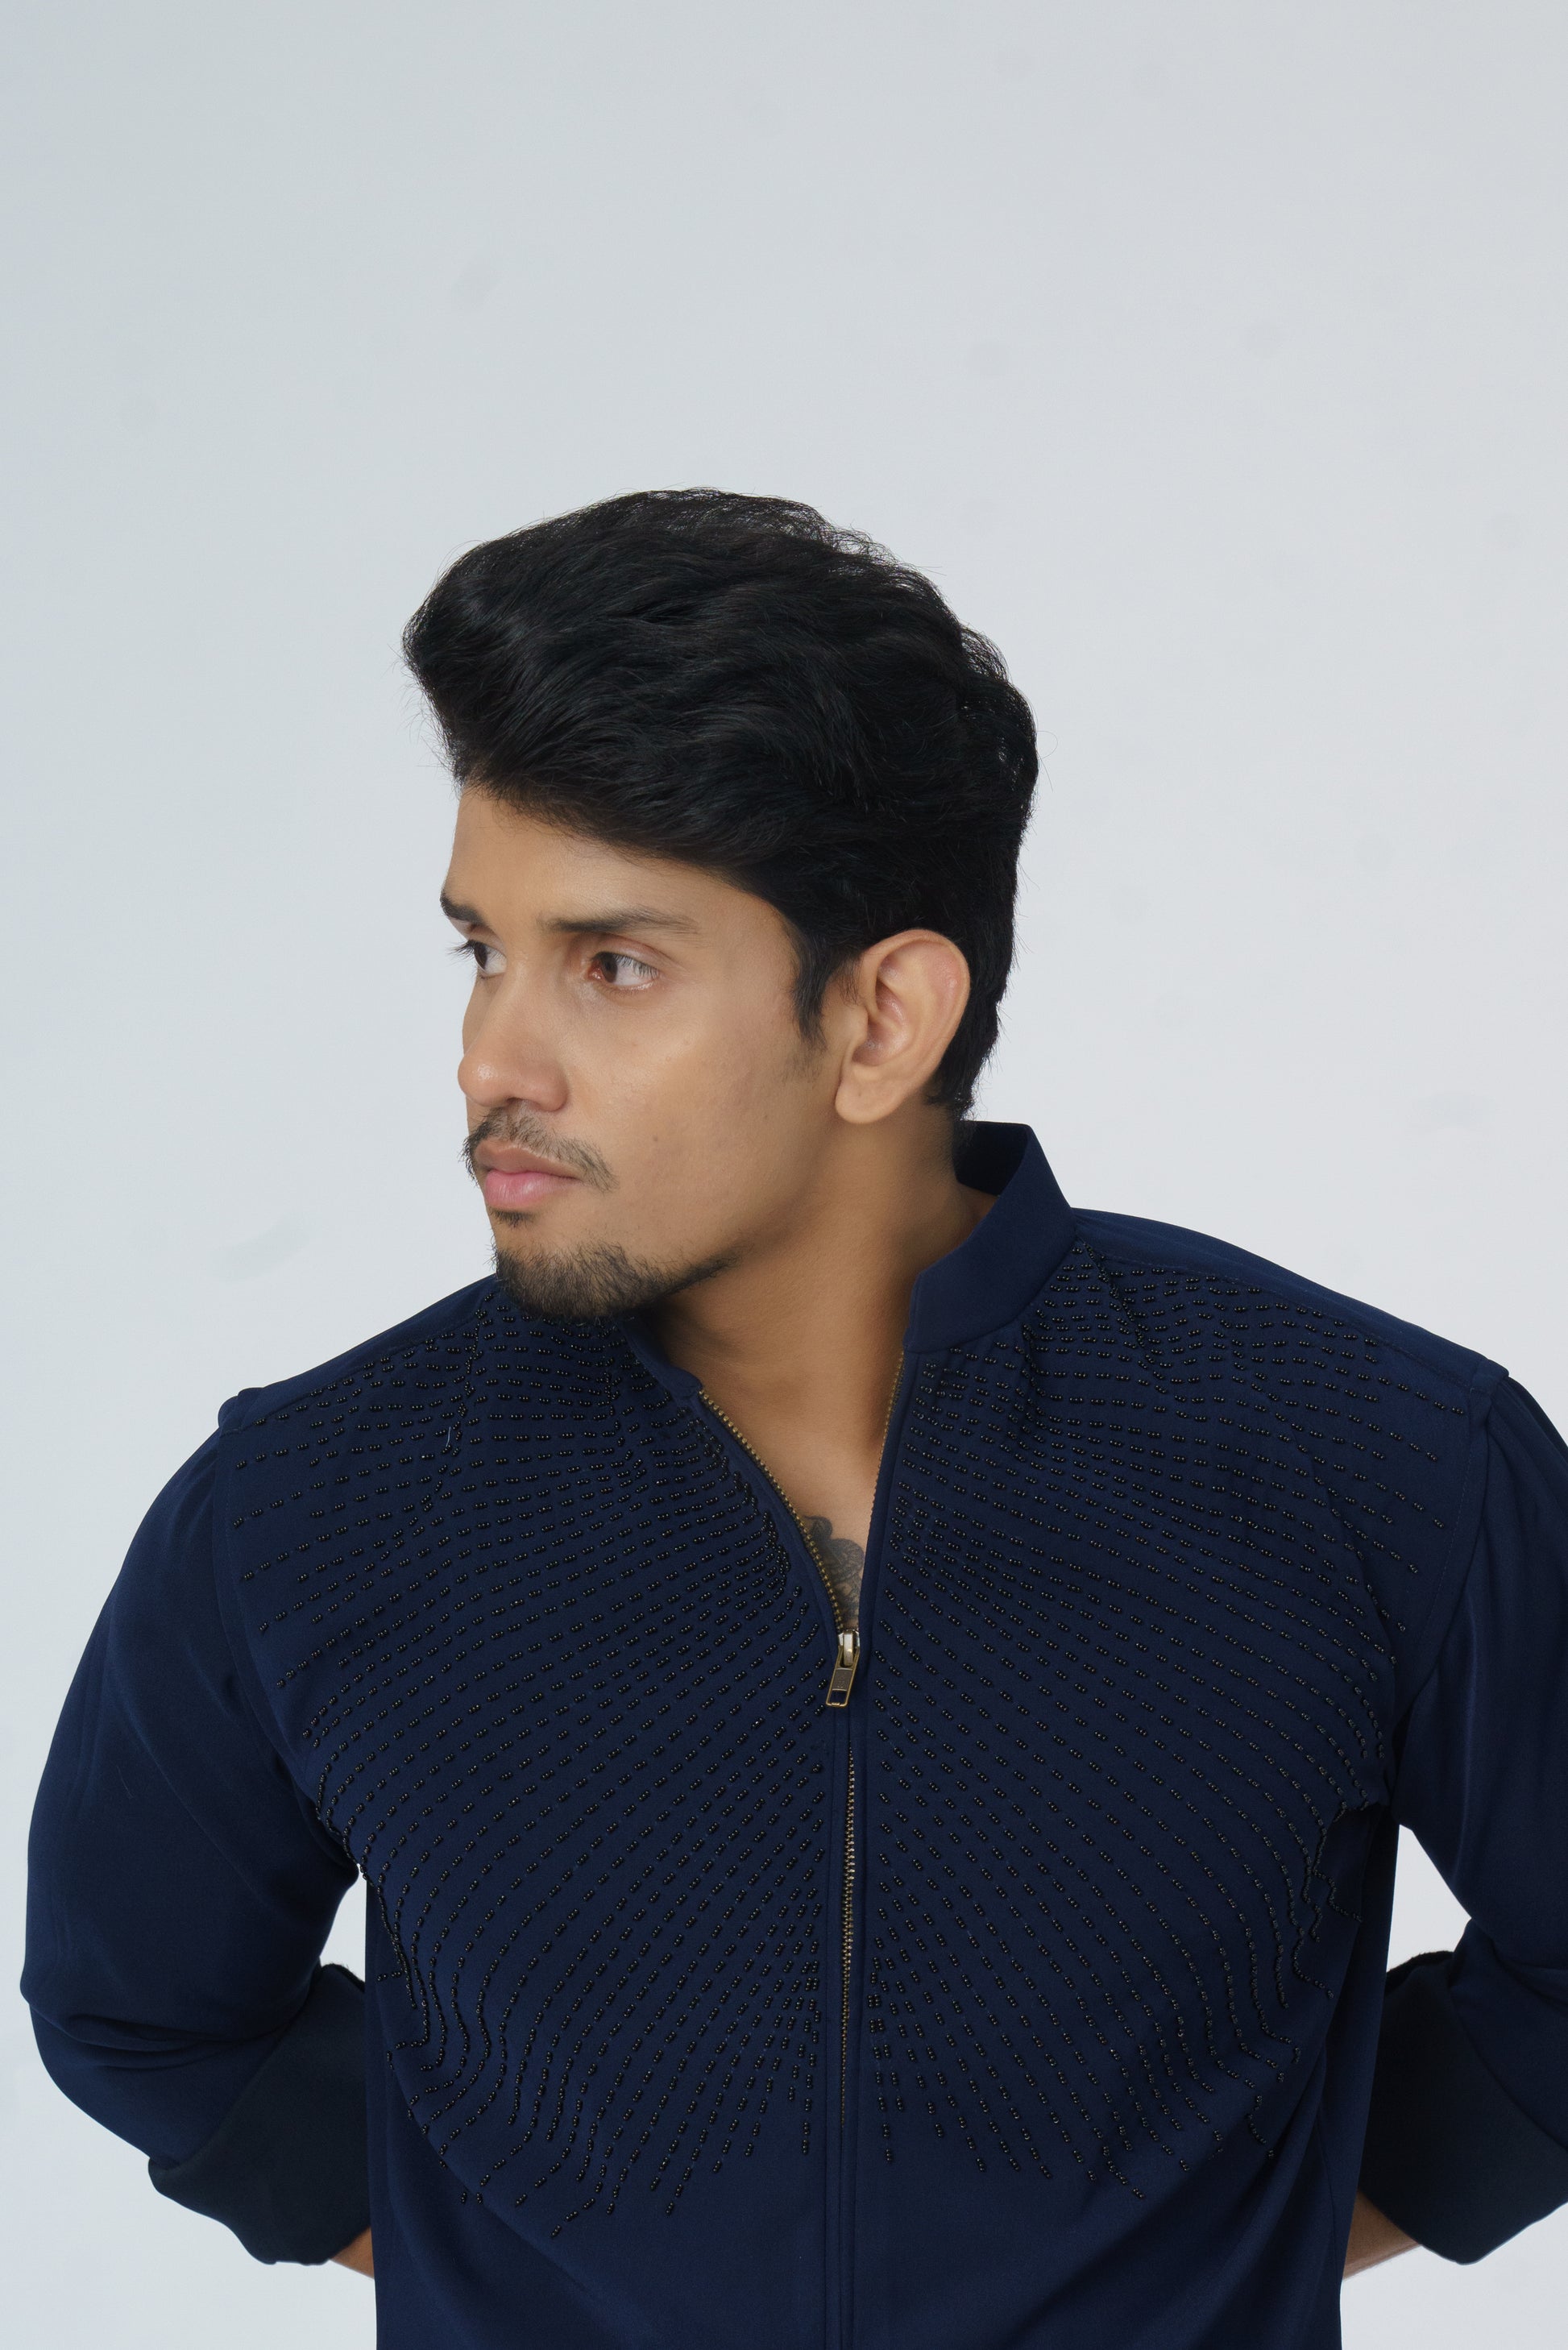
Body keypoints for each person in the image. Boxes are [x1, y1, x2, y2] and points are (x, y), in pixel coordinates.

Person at [23, 491, 1568, 2350]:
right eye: (480, 951)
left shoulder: (1382, 1467)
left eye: (611, 965)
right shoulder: (312, 1508)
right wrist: (511, 2272)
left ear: (882, 1020)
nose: (491, 1059)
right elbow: (146, 2007)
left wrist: (1226, 2243)